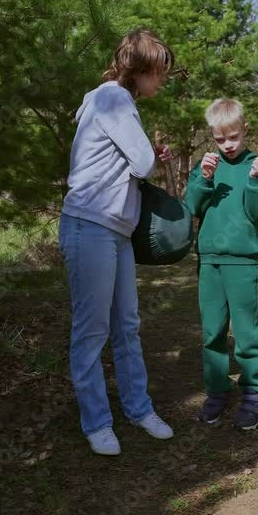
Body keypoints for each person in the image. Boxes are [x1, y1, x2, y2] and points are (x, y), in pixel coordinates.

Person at [59, 30, 175, 456]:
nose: (162, 79)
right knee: (92, 330)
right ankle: (97, 422)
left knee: (127, 325)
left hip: (116, 230)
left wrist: (147, 154)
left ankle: (139, 409)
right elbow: (141, 163)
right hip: (90, 225)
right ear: (139, 68)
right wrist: (148, 155)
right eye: (159, 71)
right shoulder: (112, 97)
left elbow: (129, 160)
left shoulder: (116, 102)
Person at [184, 98, 258, 431]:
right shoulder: (205, 165)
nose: (228, 145)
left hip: (242, 262)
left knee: (247, 331)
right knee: (212, 331)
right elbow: (192, 207)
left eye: (233, 137)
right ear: (213, 136)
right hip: (209, 261)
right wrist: (204, 179)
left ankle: (253, 392)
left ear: (244, 129)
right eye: (220, 139)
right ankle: (217, 390)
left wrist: (254, 180)